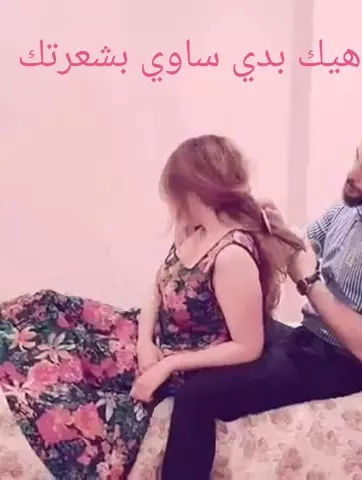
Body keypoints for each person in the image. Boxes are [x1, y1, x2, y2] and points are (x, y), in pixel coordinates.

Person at [157, 109, 362, 479]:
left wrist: (309, 283)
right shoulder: (356, 204)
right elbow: (301, 245)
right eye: (358, 158)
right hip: (307, 338)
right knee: (212, 341)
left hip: (342, 366)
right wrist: (273, 228)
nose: (353, 174)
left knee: (196, 397)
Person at [0, 134, 304, 479]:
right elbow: (158, 288)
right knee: (44, 307)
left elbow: (248, 346)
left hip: (184, 357)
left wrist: (167, 364)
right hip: (152, 336)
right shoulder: (193, 229)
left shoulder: (232, 254)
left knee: (63, 356)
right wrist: (144, 340)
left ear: (192, 191)